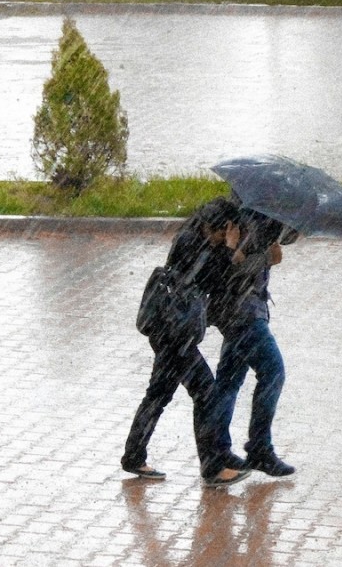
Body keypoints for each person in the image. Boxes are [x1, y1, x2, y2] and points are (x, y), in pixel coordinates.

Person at [121, 198, 249, 487]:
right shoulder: (198, 246)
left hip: (167, 329)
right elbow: (217, 281)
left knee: (158, 394)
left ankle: (133, 455)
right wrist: (230, 251)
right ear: (223, 227)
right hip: (175, 335)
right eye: (229, 230)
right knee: (206, 392)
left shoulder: (191, 236)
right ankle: (213, 467)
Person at [206, 208, 298, 477]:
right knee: (273, 371)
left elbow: (287, 238)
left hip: (241, 310)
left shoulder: (265, 214)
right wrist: (266, 258)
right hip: (242, 313)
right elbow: (232, 270)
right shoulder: (244, 217)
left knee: (229, 380)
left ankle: (218, 450)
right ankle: (258, 448)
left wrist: (290, 225)